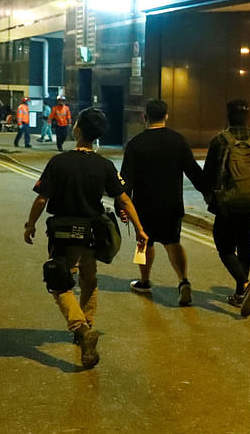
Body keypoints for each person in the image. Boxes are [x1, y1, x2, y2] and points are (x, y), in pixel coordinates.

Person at [24, 108, 148, 369]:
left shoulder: (59, 162)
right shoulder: (104, 165)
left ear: (77, 130)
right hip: (91, 233)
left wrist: (30, 225)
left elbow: (42, 198)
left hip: (62, 232)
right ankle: (87, 325)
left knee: (59, 281)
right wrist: (139, 228)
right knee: (88, 279)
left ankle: (80, 329)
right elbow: (123, 199)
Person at [120, 99, 205, 305]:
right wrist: (209, 192)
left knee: (143, 242)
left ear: (144, 117)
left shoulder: (135, 144)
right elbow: (193, 171)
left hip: (143, 205)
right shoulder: (177, 140)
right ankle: (183, 280)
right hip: (171, 204)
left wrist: (121, 206)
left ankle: (144, 280)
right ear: (166, 116)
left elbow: (126, 180)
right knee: (173, 242)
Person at [201, 99, 250, 318]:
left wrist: (207, 195)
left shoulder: (219, 140)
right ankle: (239, 293)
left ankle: (244, 285)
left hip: (227, 202)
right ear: (247, 116)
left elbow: (208, 173)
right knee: (244, 242)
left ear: (227, 115)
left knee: (224, 245)